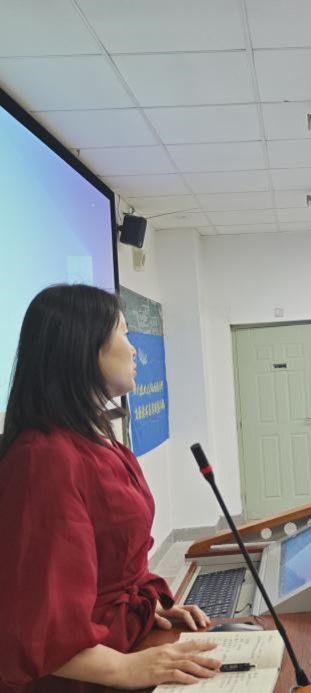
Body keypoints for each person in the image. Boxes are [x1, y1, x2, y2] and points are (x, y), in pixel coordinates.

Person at [0, 285, 221, 692]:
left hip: (121, 641)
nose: (134, 350)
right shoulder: (43, 458)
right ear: (85, 347)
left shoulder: (100, 441)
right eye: (123, 332)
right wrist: (128, 669)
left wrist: (147, 609)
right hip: (82, 677)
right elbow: (36, 624)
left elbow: (113, 560)